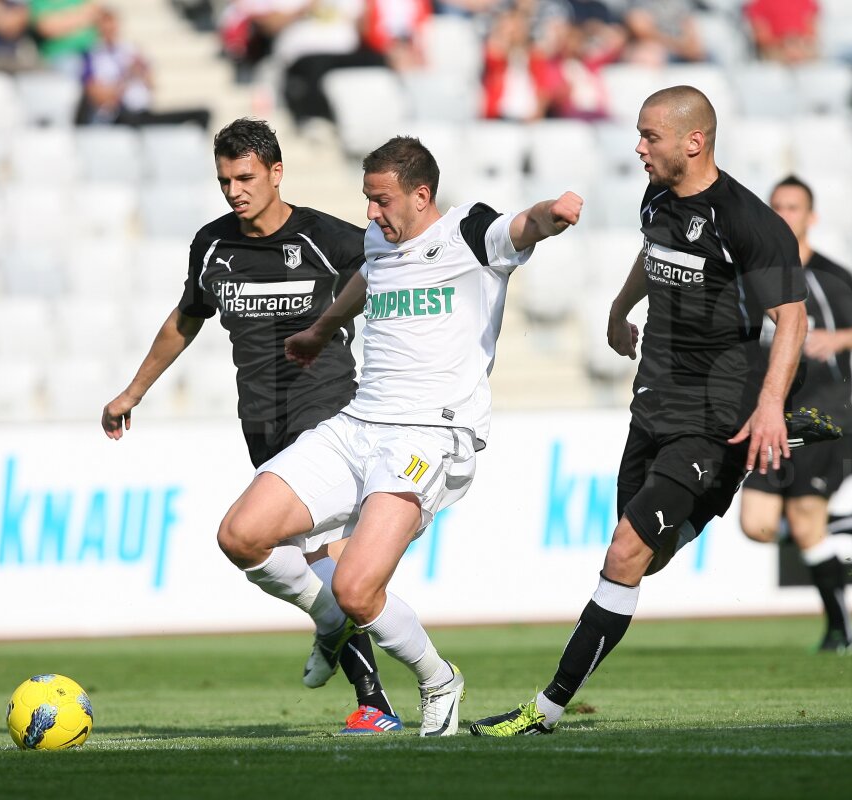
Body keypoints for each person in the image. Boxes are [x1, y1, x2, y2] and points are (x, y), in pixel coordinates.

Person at [471, 85, 809, 736]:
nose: (638, 146)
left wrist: (770, 406)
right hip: (650, 400)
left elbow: (790, 320)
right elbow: (653, 252)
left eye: (649, 135)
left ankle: (544, 709)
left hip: (711, 414)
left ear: (694, 141)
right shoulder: (656, 195)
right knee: (647, 559)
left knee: (623, 553)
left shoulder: (748, 222)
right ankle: (711, 499)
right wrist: (620, 306)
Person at [216, 136, 582, 736]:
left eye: (381, 200)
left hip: (427, 436)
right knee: (240, 535)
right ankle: (327, 614)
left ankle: (438, 677)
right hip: (358, 423)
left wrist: (553, 213)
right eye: (366, 199)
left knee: (362, 588)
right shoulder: (379, 239)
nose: (370, 213)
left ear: (422, 194)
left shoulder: (470, 232)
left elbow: (524, 225)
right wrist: (323, 328)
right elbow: (370, 278)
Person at [101, 118, 399, 734]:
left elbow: (394, 264)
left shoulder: (325, 237)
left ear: (276, 173)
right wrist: (134, 391)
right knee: (293, 561)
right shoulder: (213, 244)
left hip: (330, 414)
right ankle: (331, 629)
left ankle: (375, 703)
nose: (234, 191)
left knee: (331, 559)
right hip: (260, 420)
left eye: (245, 177)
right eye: (224, 180)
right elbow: (184, 320)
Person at [739, 175, 852, 656]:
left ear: (811, 216)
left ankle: (841, 630)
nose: (784, 214)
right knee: (756, 525)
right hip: (771, 418)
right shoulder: (754, 276)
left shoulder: (829, 276)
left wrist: (837, 339)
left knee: (804, 524)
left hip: (821, 419)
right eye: (776, 206)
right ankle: (851, 524)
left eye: (794, 207)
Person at [77, 6, 210, 128]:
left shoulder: (130, 50)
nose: (110, 34)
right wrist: (125, 79)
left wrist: (141, 72)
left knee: (201, 114)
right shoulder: (92, 56)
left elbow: (152, 84)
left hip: (141, 112)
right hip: (115, 116)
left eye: (113, 28)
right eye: (105, 30)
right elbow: (97, 96)